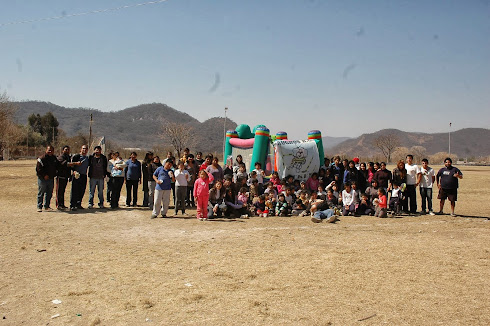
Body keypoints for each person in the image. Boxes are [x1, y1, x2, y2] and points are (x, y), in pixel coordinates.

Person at [36, 145, 58, 212]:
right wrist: (44, 175)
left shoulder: (54, 158)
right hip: (42, 179)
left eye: (52, 150)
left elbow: (57, 167)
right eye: (49, 150)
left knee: (49, 193)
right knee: (41, 193)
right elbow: (38, 169)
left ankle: (47, 206)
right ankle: (39, 206)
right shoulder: (41, 158)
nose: (50, 151)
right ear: (46, 150)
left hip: (51, 179)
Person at [70, 145, 89, 211]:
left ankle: (78, 204)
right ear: (81, 149)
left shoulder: (87, 158)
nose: (84, 150)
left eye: (86, 149)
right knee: (75, 190)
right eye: (83, 148)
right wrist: (74, 171)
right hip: (77, 175)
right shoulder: (76, 156)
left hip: (83, 175)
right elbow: (71, 165)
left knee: (82, 190)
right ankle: (72, 205)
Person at [56, 145, 75, 210]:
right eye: (66, 149)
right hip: (60, 176)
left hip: (66, 176)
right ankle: (59, 205)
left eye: (68, 150)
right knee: (59, 191)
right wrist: (74, 163)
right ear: (63, 150)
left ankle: (62, 204)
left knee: (63, 191)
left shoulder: (68, 157)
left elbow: (69, 167)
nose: (67, 151)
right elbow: (65, 164)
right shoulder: (61, 157)